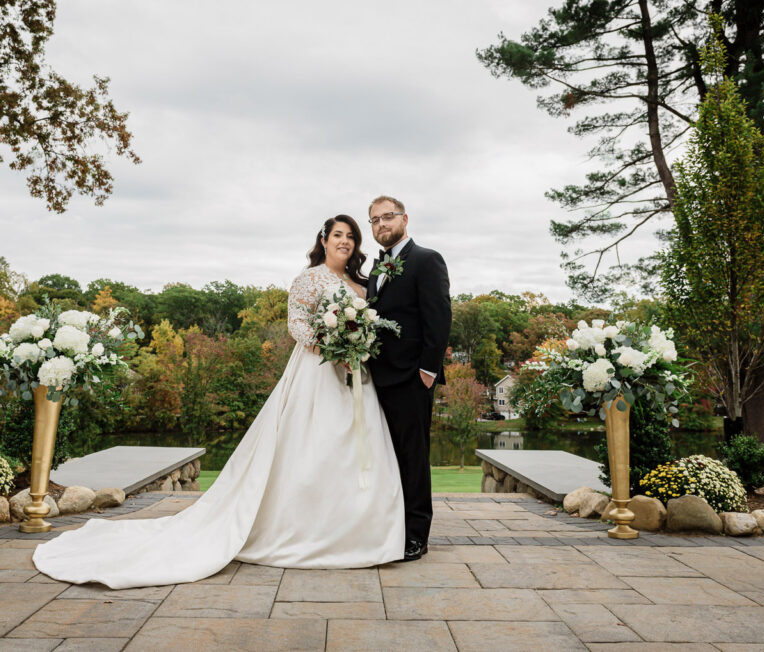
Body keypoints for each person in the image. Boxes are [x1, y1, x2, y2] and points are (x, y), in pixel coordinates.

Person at [33, 214, 405, 588]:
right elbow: (298, 324)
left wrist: (358, 347)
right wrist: (333, 348)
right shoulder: (308, 279)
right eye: (337, 235)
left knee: (357, 449)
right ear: (323, 241)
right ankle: (304, 532)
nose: (344, 241)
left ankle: (359, 533)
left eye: (350, 237)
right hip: (317, 373)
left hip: (356, 375)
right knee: (312, 450)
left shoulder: (361, 283)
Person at [366, 196, 451, 562]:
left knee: (412, 458)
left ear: (404, 219)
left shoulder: (426, 259)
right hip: (376, 379)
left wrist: (427, 372)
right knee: (385, 458)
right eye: (374, 220)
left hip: (411, 379)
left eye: (388, 217)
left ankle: (417, 535)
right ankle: (390, 528)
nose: (381, 224)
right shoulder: (375, 270)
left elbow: (439, 317)